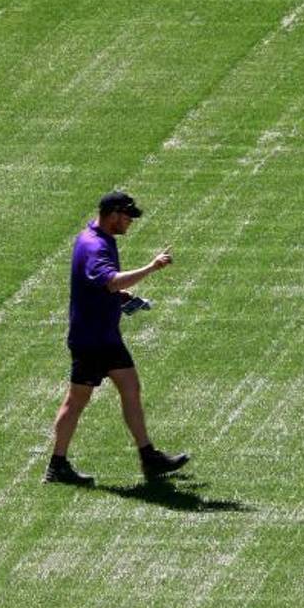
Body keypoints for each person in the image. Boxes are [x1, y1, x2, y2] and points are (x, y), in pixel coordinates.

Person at [44, 191, 190, 486]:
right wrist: (151, 268)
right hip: (91, 340)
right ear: (113, 214)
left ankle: (149, 457)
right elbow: (109, 281)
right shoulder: (95, 246)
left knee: (130, 387)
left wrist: (123, 297)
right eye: (127, 217)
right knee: (76, 401)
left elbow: (98, 285)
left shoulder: (94, 237)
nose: (130, 223)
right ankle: (57, 465)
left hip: (105, 336)